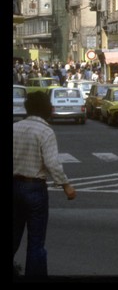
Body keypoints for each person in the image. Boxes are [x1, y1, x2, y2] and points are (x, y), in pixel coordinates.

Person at [13, 91, 77, 277]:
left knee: (14, 234)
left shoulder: (15, 127)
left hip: (14, 186)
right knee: (36, 241)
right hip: (34, 189)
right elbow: (52, 163)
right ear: (46, 109)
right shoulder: (45, 131)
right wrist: (66, 185)